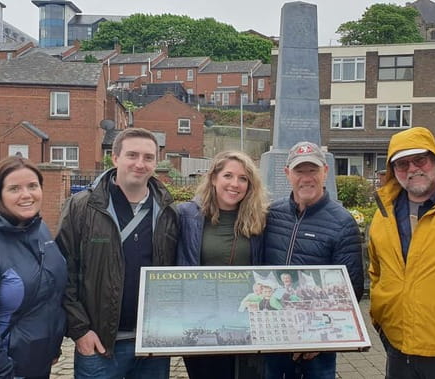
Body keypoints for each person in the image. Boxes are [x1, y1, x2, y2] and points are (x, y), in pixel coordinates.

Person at [57, 128, 178, 378]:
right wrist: (80, 330)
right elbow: (62, 272)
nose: (140, 164)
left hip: (152, 344)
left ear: (156, 163)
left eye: (148, 157)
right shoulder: (82, 207)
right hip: (100, 345)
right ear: (115, 158)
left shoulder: (168, 211)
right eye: (132, 155)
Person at [367, 126, 435, 379]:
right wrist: (380, 315)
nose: (412, 169)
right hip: (397, 343)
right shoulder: (385, 212)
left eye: (420, 160)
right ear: (393, 170)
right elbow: (376, 269)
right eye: (402, 164)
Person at [261, 141, 364, 379]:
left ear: (325, 172)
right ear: (287, 173)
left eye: (313, 170)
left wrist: (319, 337)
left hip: (317, 343)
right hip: (276, 334)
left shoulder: (342, 222)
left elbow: (351, 288)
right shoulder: (272, 214)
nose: (306, 178)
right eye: (299, 171)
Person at [0, 156, 66, 378]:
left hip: (38, 364)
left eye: (32, 186)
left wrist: (52, 346)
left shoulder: (40, 230)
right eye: (14, 188)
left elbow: (50, 296)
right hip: (4, 368)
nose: (26, 195)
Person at [176, 150, 268, 379]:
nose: (235, 184)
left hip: (246, 323)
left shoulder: (261, 219)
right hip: (201, 322)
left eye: (243, 178)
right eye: (228, 175)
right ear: (214, 178)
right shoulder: (186, 215)